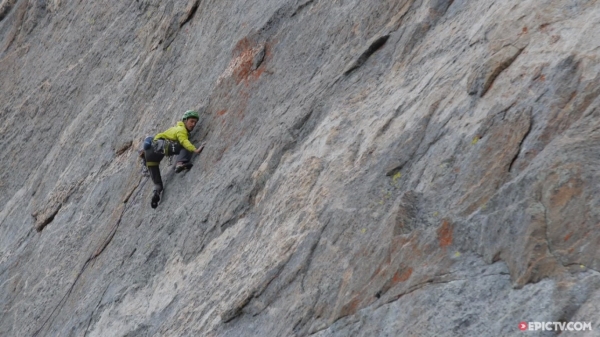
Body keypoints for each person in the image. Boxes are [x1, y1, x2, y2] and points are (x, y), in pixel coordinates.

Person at [142, 110, 205, 208]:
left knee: (158, 183)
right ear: (185, 120)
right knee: (184, 144)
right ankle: (180, 163)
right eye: (191, 121)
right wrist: (195, 150)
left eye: (195, 122)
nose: (193, 124)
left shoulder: (175, 129)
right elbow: (184, 141)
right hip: (160, 146)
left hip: (149, 155)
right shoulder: (181, 130)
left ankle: (156, 194)